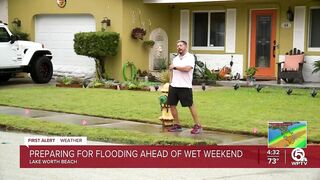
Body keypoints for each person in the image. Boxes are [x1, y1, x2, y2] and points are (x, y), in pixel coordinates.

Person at [167, 40, 202, 134]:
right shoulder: (176, 58)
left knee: (190, 105)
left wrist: (175, 67)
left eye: (181, 45)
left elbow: (187, 69)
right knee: (172, 105)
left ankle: (198, 125)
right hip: (174, 86)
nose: (179, 47)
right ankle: (177, 125)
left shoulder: (190, 57)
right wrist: (170, 83)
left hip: (185, 86)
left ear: (185, 46)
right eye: (177, 45)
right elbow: (171, 71)